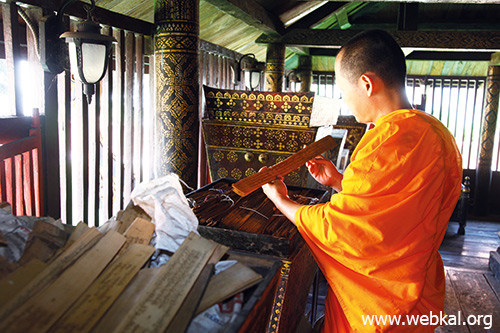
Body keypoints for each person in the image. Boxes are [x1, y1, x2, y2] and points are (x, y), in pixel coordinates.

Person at [261, 30, 462, 332]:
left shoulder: (388, 140)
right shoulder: (436, 132)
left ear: (367, 84)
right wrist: (340, 182)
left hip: (380, 304)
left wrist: (281, 200)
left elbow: (343, 228)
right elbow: (397, 213)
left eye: (344, 91)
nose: (346, 102)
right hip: (419, 288)